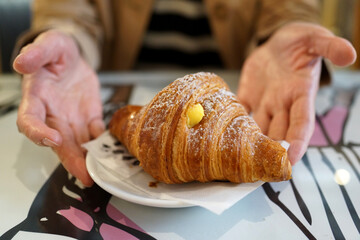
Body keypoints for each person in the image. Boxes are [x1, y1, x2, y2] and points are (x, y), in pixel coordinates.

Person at [12, 0, 357, 186]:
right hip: (115, 89)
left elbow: (290, 5)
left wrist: (284, 30)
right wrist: (67, 38)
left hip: (244, 88)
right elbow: (66, 7)